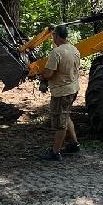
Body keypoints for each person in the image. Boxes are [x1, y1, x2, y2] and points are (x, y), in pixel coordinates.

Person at [38, 25, 81, 161]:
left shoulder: (56, 52)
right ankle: (74, 144)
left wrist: (42, 76)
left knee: (60, 123)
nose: (52, 38)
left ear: (56, 36)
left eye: (53, 36)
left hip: (61, 92)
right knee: (66, 116)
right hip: (73, 89)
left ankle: (55, 153)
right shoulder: (75, 49)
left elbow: (49, 73)